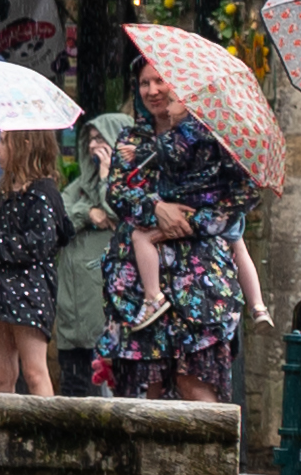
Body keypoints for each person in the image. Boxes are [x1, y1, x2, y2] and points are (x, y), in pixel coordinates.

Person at [98, 54, 259, 403]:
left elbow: (245, 192)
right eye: (144, 83)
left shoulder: (212, 135)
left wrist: (193, 223)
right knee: (148, 390)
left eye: (160, 81)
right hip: (140, 276)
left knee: (195, 382)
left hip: (199, 275)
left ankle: (209, 459)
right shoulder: (132, 138)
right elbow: (116, 191)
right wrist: (156, 208)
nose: (152, 90)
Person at [0, 128, 71, 399]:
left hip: (28, 292)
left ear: (25, 145)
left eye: (4, 142)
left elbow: (37, 245)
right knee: (1, 376)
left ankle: (48, 437)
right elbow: (7, 236)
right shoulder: (6, 192)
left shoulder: (42, 193)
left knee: (34, 373)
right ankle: (2, 437)